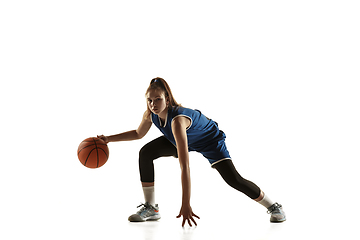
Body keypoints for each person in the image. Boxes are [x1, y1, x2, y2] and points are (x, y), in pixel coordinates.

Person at [98, 77, 286, 227]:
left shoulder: (177, 121)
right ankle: (151, 208)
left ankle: (273, 206)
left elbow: (185, 166)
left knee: (233, 179)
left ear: (167, 99)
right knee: (146, 152)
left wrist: (186, 204)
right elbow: (138, 133)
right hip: (183, 139)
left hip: (208, 140)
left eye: (158, 100)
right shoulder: (150, 114)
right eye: (149, 101)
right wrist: (108, 139)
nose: (153, 104)